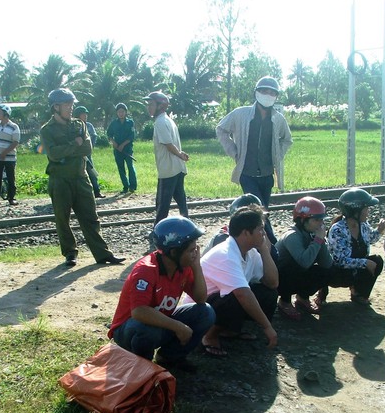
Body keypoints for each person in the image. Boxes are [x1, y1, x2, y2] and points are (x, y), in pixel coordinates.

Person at [108, 217, 215, 373]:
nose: (195, 254)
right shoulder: (146, 269)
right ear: (174, 252)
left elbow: (200, 298)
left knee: (205, 312)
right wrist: (179, 327)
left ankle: (169, 358)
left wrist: (197, 267)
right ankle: (142, 367)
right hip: (130, 329)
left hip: (158, 324)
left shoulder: (184, 266)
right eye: (191, 250)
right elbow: (139, 311)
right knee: (148, 329)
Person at [40, 88, 124, 267]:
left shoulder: (79, 124)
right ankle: (70, 253)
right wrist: (73, 145)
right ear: (56, 107)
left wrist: (68, 149)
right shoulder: (47, 130)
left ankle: (102, 254)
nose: (71, 108)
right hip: (60, 179)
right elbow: (53, 154)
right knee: (62, 218)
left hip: (81, 177)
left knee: (91, 218)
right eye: (66, 104)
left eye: (71, 104)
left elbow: (87, 148)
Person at [216, 76, 292, 244]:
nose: (267, 95)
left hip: (267, 174)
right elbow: (221, 129)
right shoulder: (241, 114)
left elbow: (287, 139)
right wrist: (234, 151)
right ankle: (272, 243)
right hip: (247, 173)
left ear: (276, 96)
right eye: (264, 91)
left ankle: (258, 241)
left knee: (262, 209)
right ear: (256, 93)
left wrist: (278, 155)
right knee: (260, 210)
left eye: (271, 92)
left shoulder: (278, 118)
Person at [196, 205, 279, 356]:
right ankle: (208, 336)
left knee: (268, 293)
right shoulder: (226, 254)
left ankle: (228, 331)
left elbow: (272, 283)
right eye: (260, 229)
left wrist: (265, 251)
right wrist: (267, 327)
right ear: (246, 233)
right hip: (200, 311)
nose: (264, 233)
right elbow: (242, 294)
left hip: (220, 301)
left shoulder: (250, 252)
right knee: (237, 297)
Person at [319, 188, 385, 306]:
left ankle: (359, 293)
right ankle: (321, 295)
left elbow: (370, 239)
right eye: (366, 209)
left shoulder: (363, 225)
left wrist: (379, 231)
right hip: (339, 273)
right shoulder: (338, 229)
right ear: (356, 210)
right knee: (327, 270)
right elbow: (340, 261)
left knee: (377, 261)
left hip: (355, 269)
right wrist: (365, 263)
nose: (368, 212)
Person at [275, 197, 333, 320]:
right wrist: (317, 240)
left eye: (322, 220)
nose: (321, 223)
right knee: (291, 267)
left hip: (298, 273)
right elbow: (304, 262)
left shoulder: (312, 233)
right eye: (317, 220)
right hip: (279, 278)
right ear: (302, 219)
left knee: (325, 271)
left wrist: (321, 241)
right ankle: (284, 302)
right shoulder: (292, 236)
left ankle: (302, 298)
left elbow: (327, 264)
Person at [144, 91, 189, 225]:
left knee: (162, 203)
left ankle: (158, 231)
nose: (148, 107)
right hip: (177, 167)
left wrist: (180, 154)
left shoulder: (160, 122)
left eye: (151, 104)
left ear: (160, 106)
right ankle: (186, 223)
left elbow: (168, 144)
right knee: (180, 200)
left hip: (168, 169)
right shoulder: (168, 120)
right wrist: (180, 154)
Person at [0, 103, 21, 206]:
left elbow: (15, 142)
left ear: (6, 113)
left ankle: (12, 198)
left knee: (11, 178)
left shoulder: (14, 127)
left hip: (9, 158)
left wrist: (5, 153)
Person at [73, 105, 104, 199]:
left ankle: (97, 191)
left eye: (86, 114)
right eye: (83, 114)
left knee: (92, 173)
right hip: (77, 155)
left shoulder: (89, 126)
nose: (85, 116)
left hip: (87, 154)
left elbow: (93, 137)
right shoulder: (73, 126)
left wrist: (89, 148)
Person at [106, 102, 136, 194]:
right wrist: (113, 142)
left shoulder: (130, 123)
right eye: (119, 112)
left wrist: (123, 145)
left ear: (125, 112)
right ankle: (125, 186)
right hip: (117, 150)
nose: (121, 113)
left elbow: (132, 136)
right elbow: (109, 134)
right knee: (121, 168)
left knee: (130, 167)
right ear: (117, 113)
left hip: (127, 149)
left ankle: (132, 186)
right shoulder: (114, 123)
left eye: (122, 111)